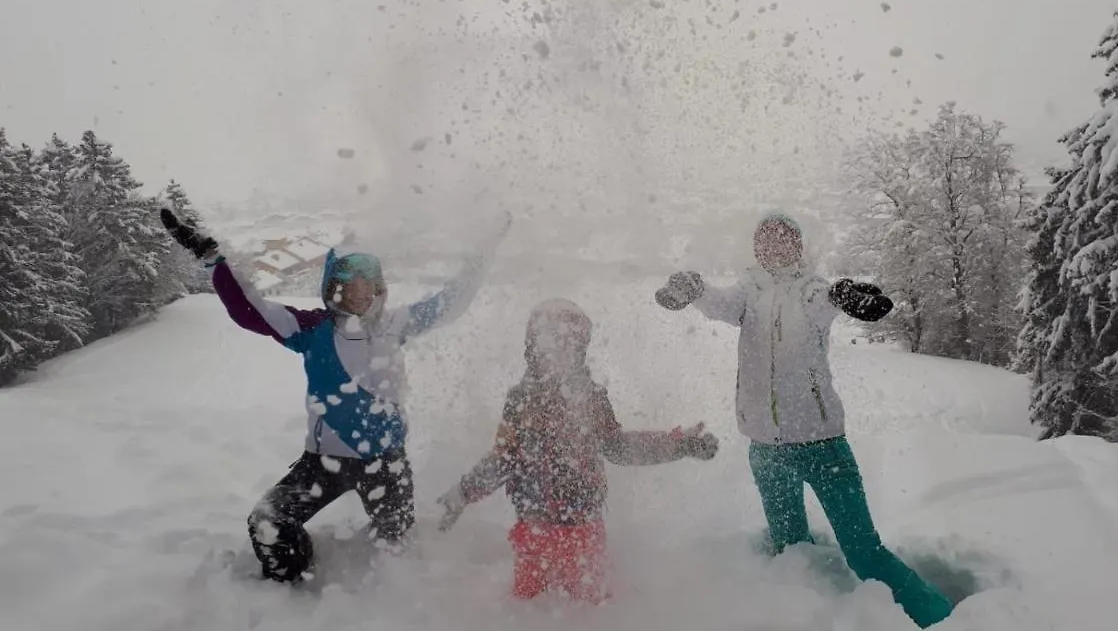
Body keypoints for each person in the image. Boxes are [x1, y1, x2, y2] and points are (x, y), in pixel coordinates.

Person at [159, 207, 508, 583]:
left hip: (387, 464)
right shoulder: (310, 328)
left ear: (378, 288)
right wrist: (214, 259)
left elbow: (450, 302)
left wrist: (483, 253)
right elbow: (249, 310)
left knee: (396, 545)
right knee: (268, 522)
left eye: (367, 284)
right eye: (349, 284)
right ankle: (294, 584)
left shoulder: (395, 324)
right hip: (323, 463)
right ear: (332, 287)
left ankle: (384, 601)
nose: (359, 293)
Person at [654, 212, 954, 628]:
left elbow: (829, 299)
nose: (774, 244)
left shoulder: (811, 291)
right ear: (756, 247)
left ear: (798, 245)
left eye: (784, 237)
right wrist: (695, 288)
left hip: (823, 446)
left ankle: (943, 618)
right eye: (766, 238)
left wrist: (848, 296)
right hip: (765, 452)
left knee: (864, 553)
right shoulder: (748, 293)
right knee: (792, 551)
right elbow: (719, 304)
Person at [435, 298, 719, 603]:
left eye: (568, 344)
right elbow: (505, 458)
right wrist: (464, 492)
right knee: (528, 612)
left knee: (591, 611)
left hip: (582, 529)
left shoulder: (592, 398)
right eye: (549, 342)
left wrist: (679, 444)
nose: (558, 352)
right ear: (531, 348)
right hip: (533, 531)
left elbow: (619, 447)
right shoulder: (520, 401)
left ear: (581, 349)